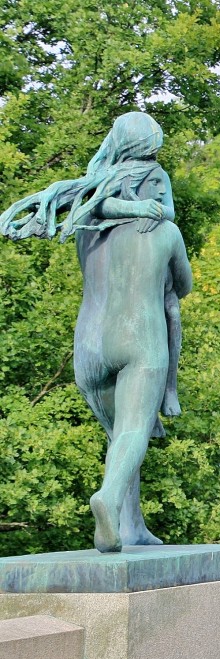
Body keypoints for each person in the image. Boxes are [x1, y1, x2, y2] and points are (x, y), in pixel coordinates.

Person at [1, 112, 192, 551]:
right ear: (149, 184)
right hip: (139, 339)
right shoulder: (165, 231)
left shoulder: (85, 227)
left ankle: (131, 527)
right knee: (133, 431)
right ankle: (107, 496)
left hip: (88, 344)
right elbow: (183, 286)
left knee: (119, 439)